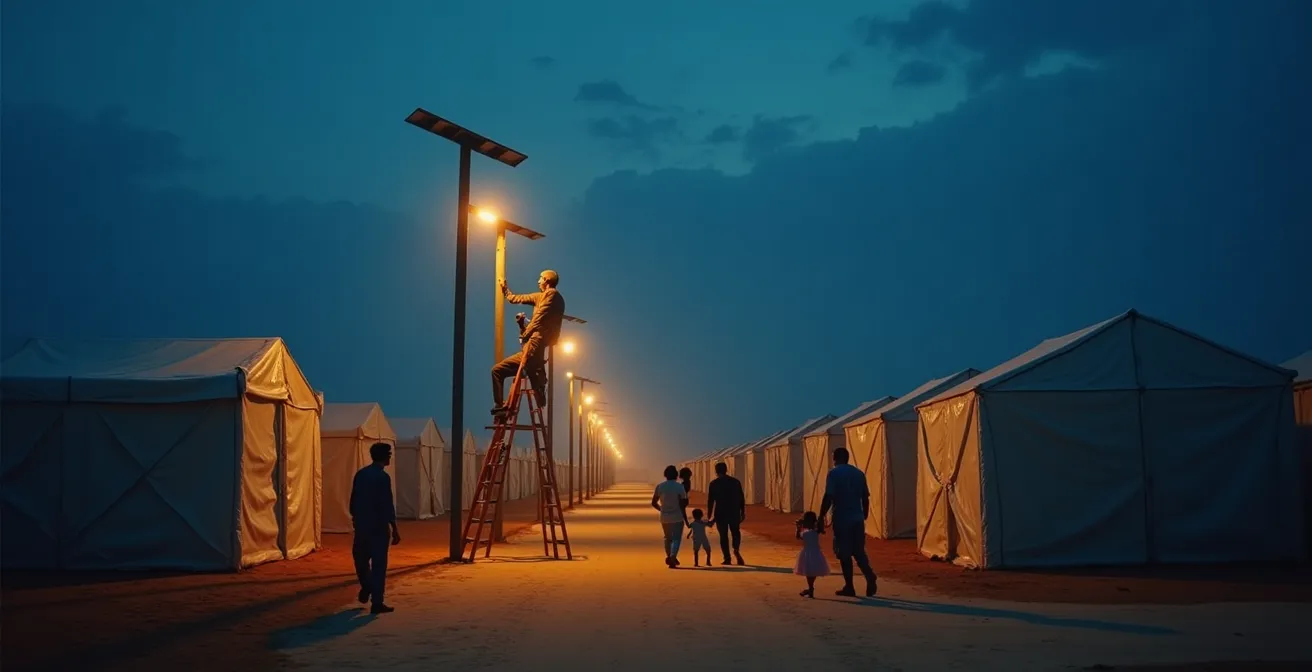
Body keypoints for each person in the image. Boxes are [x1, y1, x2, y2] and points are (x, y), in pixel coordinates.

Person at [491, 269, 565, 417]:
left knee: (528, 364)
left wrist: (524, 333)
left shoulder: (553, 296)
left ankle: (536, 383)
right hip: (532, 345)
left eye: (540, 278)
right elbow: (515, 299)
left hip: (537, 342)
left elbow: (538, 318)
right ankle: (501, 406)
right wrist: (505, 289)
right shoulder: (540, 297)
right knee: (498, 370)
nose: (538, 281)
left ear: (547, 280)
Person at [818, 447, 878, 597]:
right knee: (858, 551)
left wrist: (821, 516)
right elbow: (865, 497)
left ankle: (849, 586)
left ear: (836, 458)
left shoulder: (833, 474)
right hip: (857, 518)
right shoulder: (859, 473)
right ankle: (869, 574)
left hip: (842, 518)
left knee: (844, 553)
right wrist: (863, 514)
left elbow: (829, 496)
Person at [350, 442, 401, 614]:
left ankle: (367, 585)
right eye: (389, 454)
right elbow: (387, 504)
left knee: (360, 560)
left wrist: (355, 518)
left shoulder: (361, 474)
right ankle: (376, 601)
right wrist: (394, 527)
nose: (390, 456)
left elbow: (353, 499)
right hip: (378, 527)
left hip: (362, 526)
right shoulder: (382, 478)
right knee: (379, 566)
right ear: (384, 456)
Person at [706, 461, 746, 565]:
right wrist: (743, 511)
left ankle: (727, 558)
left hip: (720, 513)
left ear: (716, 471)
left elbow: (710, 501)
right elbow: (741, 498)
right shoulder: (735, 482)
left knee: (723, 536)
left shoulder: (714, 484)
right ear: (726, 470)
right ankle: (736, 549)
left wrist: (709, 516)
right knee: (735, 532)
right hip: (734, 512)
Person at [651, 465, 689, 567]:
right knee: (677, 538)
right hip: (677, 516)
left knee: (667, 538)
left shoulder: (660, 486)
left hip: (664, 517)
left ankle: (669, 556)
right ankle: (673, 556)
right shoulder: (679, 487)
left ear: (665, 475)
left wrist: (662, 509)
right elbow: (684, 502)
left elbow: (653, 502)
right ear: (676, 475)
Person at [793, 511, 830, 598]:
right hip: (816, 552)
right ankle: (810, 588)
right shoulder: (816, 531)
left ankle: (810, 588)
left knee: (808, 572)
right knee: (812, 572)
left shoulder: (806, 532)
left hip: (807, 552)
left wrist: (798, 527)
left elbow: (798, 537)